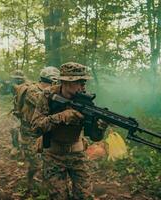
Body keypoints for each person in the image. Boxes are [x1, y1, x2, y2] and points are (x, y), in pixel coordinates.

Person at [31, 62, 108, 199]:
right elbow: (36, 128)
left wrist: (101, 128)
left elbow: (95, 137)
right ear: (65, 83)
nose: (83, 86)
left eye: (84, 82)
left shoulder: (85, 101)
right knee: (59, 197)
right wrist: (60, 117)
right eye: (79, 82)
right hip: (53, 155)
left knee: (84, 196)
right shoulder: (48, 96)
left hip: (77, 155)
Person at [11, 66, 60, 188]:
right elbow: (46, 105)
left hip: (43, 132)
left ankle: (45, 186)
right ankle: (29, 180)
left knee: (48, 162)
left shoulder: (50, 91)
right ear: (52, 80)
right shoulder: (32, 91)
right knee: (36, 163)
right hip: (30, 133)